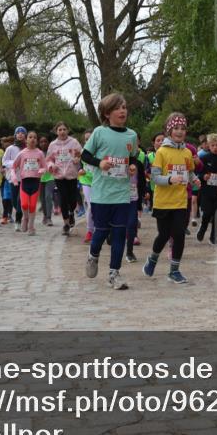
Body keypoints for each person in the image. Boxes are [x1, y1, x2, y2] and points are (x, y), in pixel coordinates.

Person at [80, 94, 139, 290]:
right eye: (117, 108)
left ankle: (114, 273)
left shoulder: (131, 135)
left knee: (119, 234)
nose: (123, 111)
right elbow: (85, 155)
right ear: (107, 114)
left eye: (124, 107)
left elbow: (133, 158)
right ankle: (93, 255)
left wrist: (132, 167)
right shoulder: (99, 132)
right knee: (101, 232)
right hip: (101, 194)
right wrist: (100, 163)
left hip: (122, 193)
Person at [143, 113, 199, 284]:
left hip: (181, 201)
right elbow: (155, 178)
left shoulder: (187, 152)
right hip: (163, 202)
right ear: (169, 130)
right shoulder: (161, 152)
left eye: (183, 128)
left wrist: (194, 179)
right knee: (164, 234)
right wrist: (169, 179)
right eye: (176, 128)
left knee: (179, 234)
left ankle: (174, 271)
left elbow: (189, 172)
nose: (180, 132)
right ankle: (152, 258)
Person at [46, 122, 83, 237]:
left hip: (72, 174)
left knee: (72, 199)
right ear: (56, 131)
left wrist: (77, 158)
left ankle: (72, 212)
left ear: (68, 130)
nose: (62, 132)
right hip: (59, 176)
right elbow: (48, 159)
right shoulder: (52, 145)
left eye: (64, 129)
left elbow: (80, 154)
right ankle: (66, 224)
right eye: (60, 130)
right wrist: (51, 165)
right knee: (63, 198)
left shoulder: (74, 142)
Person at [14, 129, 47, 236]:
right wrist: (14, 177)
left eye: (35, 137)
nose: (32, 139)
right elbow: (13, 167)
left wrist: (42, 170)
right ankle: (25, 218)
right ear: (26, 140)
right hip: (24, 182)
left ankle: (31, 226)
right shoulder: (22, 153)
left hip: (35, 182)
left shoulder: (40, 153)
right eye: (30, 137)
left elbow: (44, 167)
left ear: (36, 141)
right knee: (24, 204)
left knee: (32, 206)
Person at [197, 133, 217, 245]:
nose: (215, 147)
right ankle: (203, 228)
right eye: (213, 145)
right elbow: (198, 173)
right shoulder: (204, 158)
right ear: (208, 146)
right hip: (206, 191)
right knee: (207, 213)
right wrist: (203, 176)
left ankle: (213, 237)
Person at [2, 127, 27, 232]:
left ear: (25, 136)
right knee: (14, 201)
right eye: (18, 133)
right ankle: (21, 214)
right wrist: (14, 164)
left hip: (25, 178)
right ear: (15, 135)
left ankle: (18, 221)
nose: (20, 134)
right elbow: (4, 161)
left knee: (20, 200)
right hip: (13, 178)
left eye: (22, 133)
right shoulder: (10, 148)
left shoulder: (28, 149)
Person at [79, 128, 95, 243]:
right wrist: (80, 170)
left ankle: (101, 229)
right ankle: (90, 231)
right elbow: (80, 165)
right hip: (86, 181)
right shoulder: (82, 152)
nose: (88, 141)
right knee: (91, 206)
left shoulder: (101, 151)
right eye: (86, 139)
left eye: (90, 139)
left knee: (99, 207)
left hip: (99, 181)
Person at [38, 135, 56, 227]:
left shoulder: (51, 152)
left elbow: (56, 162)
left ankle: (49, 218)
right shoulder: (37, 153)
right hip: (40, 178)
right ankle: (45, 215)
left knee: (48, 196)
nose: (43, 143)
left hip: (50, 177)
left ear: (48, 143)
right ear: (39, 143)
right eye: (41, 142)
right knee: (42, 199)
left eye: (45, 141)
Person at [0, 135, 15, 224]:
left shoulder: (14, 153)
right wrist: (1, 169)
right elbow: (0, 165)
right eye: (5, 144)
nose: (7, 145)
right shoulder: (1, 154)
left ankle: (9, 215)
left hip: (12, 178)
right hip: (3, 179)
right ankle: (5, 216)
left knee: (11, 198)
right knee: (5, 198)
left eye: (9, 143)